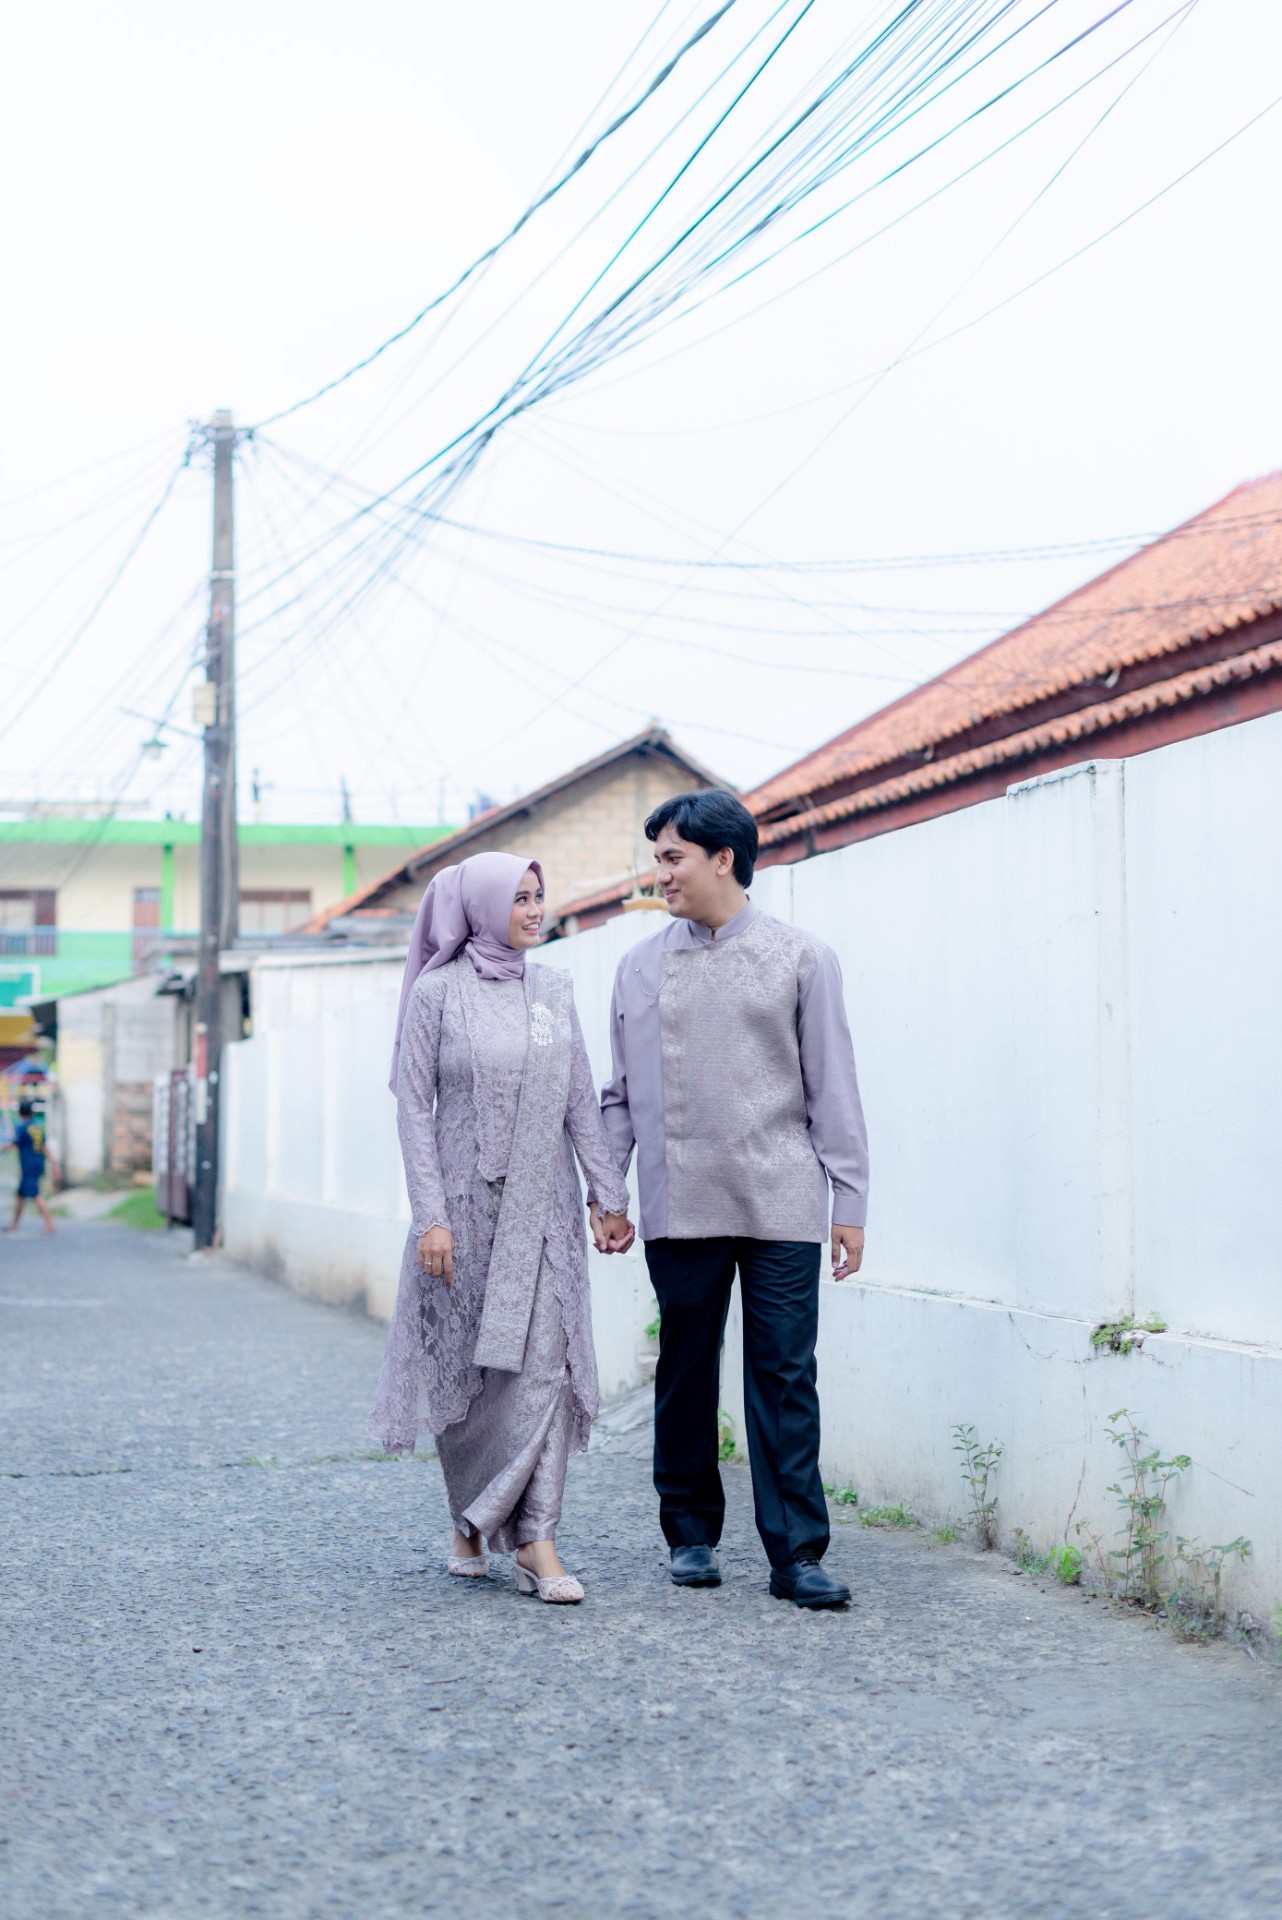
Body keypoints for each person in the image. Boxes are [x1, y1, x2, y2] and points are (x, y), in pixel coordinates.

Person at [601, 790, 869, 1610]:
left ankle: (797, 1554)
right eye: (657, 858)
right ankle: (689, 1534)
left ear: (724, 858)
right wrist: (608, 1192)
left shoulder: (801, 958)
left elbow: (833, 1086)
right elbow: (620, 1096)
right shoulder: (638, 967)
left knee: (784, 1376)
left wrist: (849, 1201)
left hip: (783, 1198)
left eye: (672, 857)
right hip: (680, 1200)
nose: (660, 874)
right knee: (685, 1370)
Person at [369, 851, 634, 1605]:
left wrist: (609, 1195)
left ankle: (535, 1539)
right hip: (460, 1217)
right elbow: (413, 1108)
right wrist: (431, 1217)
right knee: (470, 1377)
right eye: (519, 898)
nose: (535, 910)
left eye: (539, 896)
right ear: (483, 907)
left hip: (543, 1214)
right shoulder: (436, 993)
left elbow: (579, 1099)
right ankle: (469, 1517)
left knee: (546, 1366)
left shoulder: (551, 991)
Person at [5, 1098, 58, 1235]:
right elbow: (45, 1147)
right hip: (38, 1163)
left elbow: (12, 1144)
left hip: (28, 1165)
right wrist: (54, 1165)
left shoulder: (22, 1127)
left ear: (20, 1112)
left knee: (35, 1194)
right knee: (20, 1195)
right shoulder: (37, 1127)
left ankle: (50, 1222)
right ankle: (14, 1224)